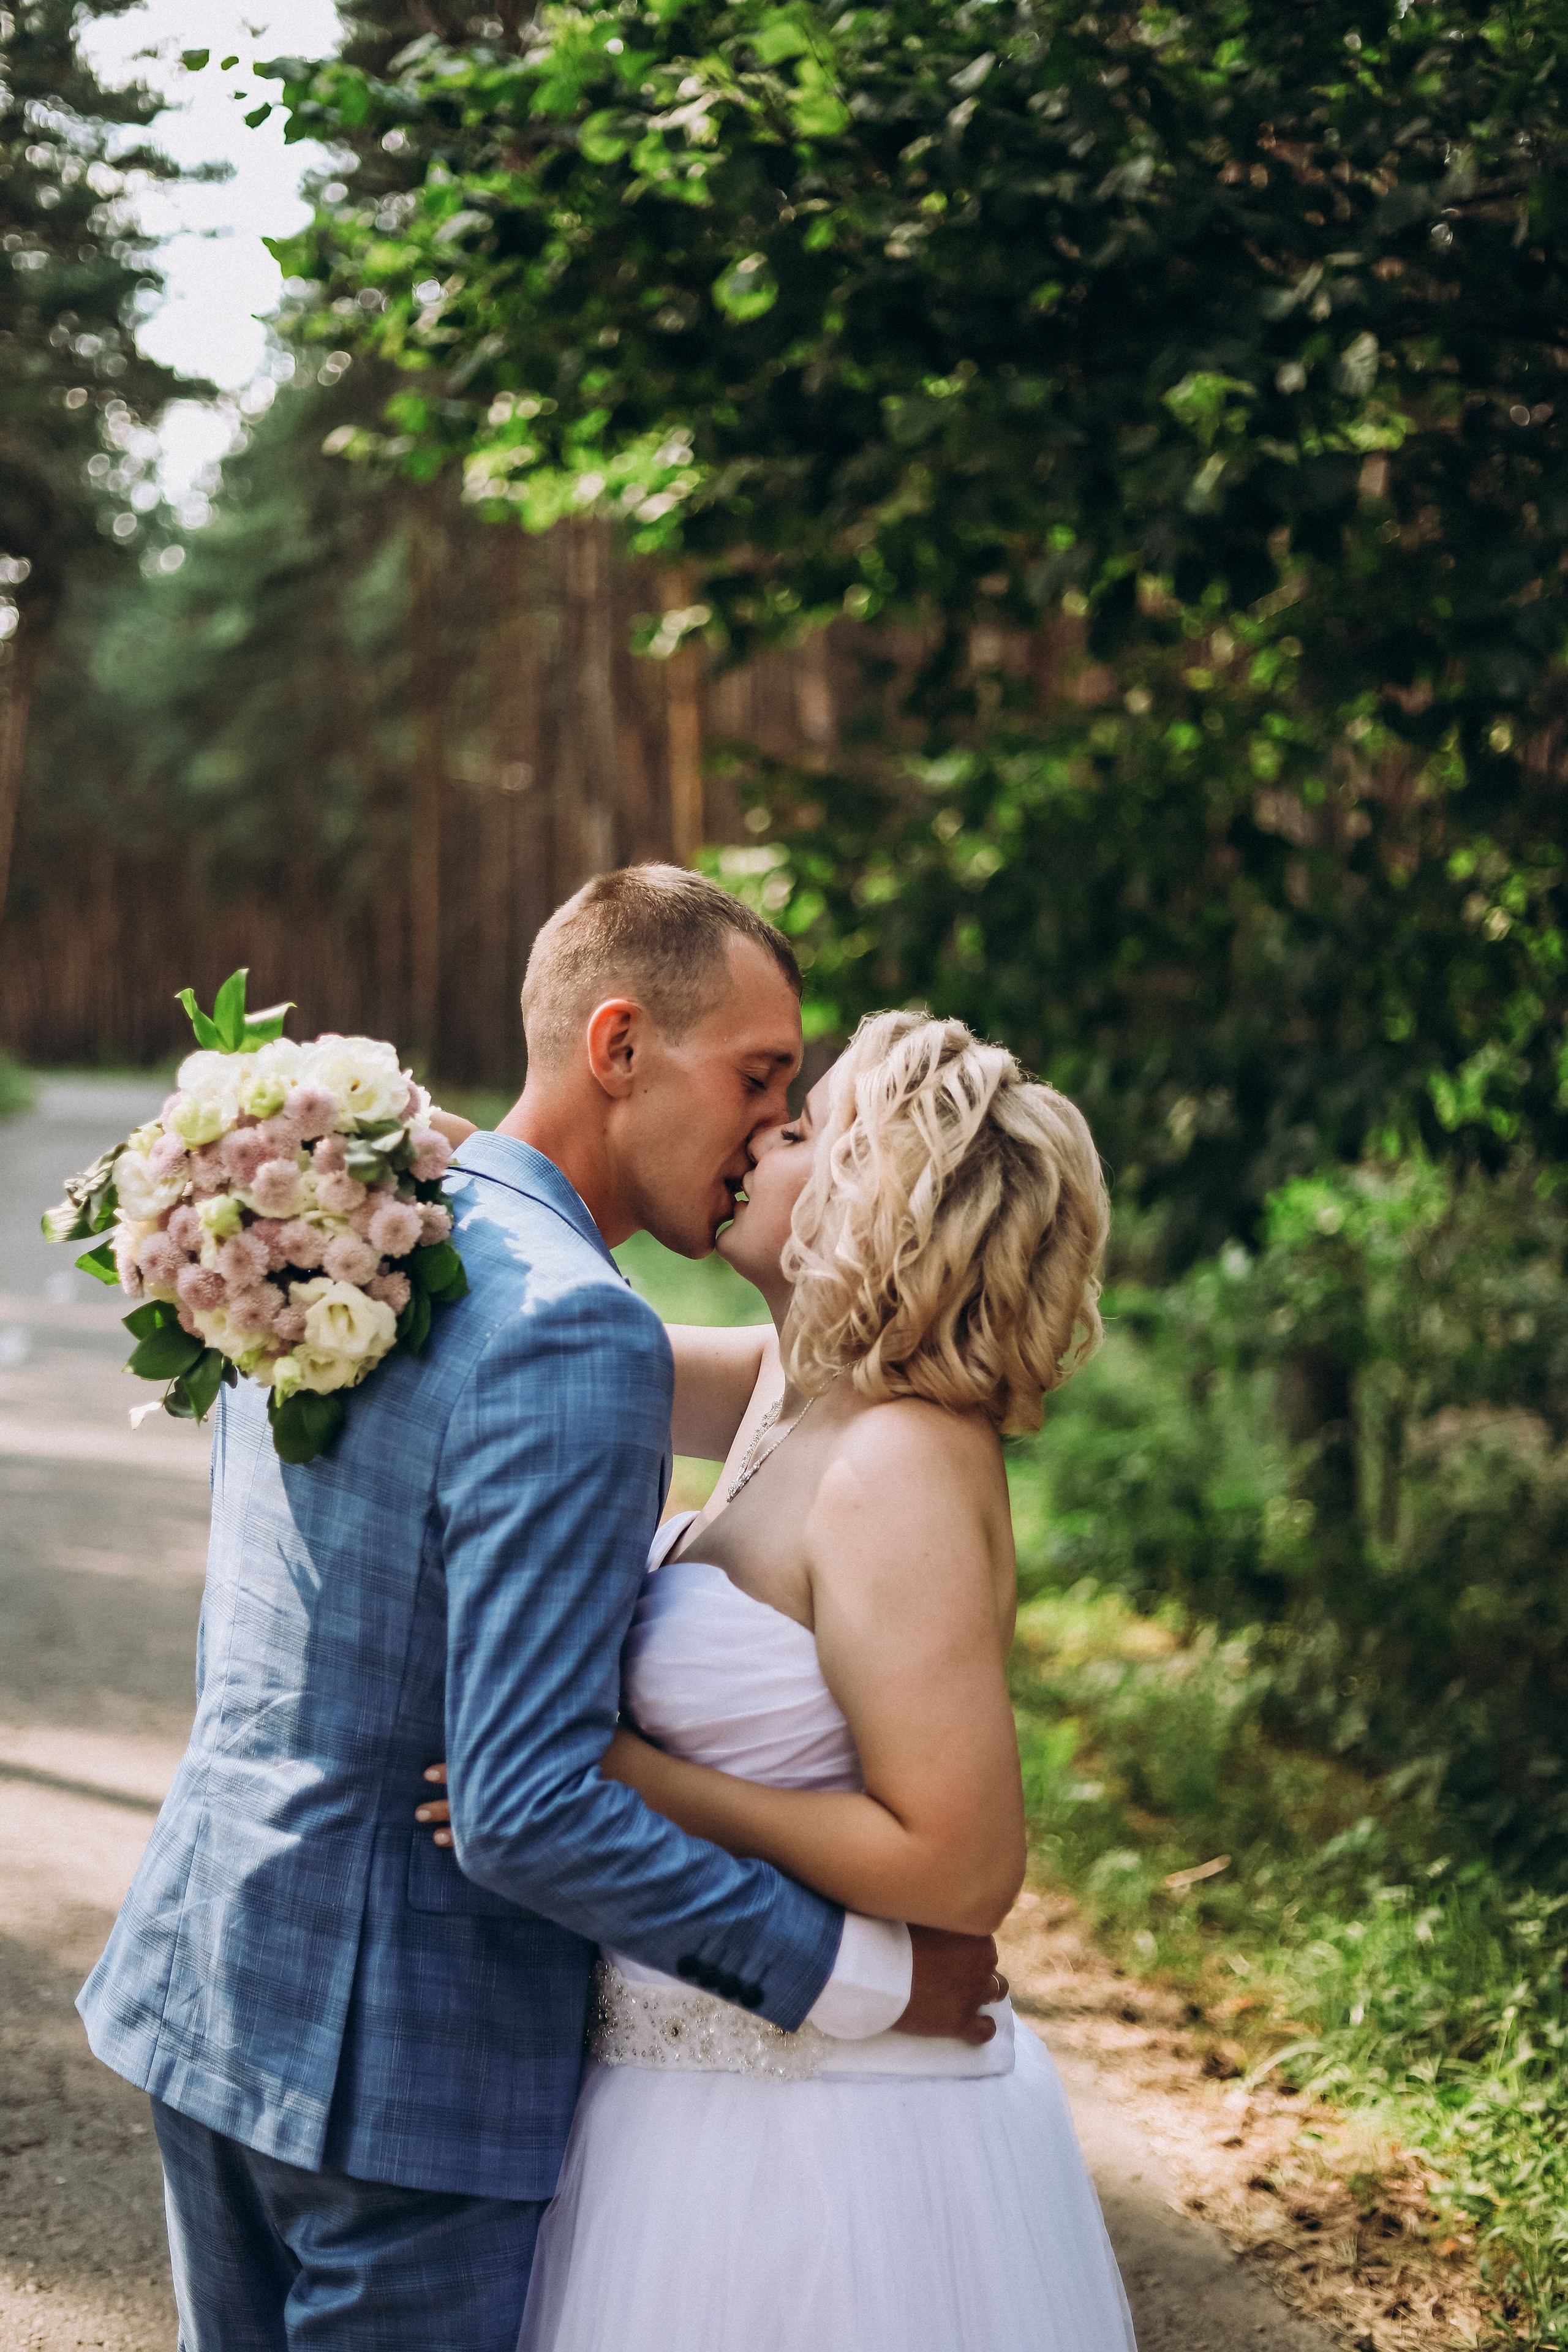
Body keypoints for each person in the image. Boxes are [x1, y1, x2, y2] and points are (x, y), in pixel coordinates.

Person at [77, 868, 998, 2352]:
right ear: (617, 1046)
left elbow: (792, 1384)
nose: (772, 1126)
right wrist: (863, 1978)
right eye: (759, 1077)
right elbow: (523, 1811)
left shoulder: (335, 1219)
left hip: (214, 1982)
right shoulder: (573, 1325)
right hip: (405, 2073)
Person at [420, 1007, 1137, 2352]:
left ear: (887, 1195)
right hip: (684, 2078)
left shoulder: (902, 1459)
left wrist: (629, 1780)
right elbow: (535, 1334)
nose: (757, 1136)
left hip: (826, 2150)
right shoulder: (784, 1386)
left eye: (800, 1127)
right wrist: (437, 1169)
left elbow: (959, 1864)